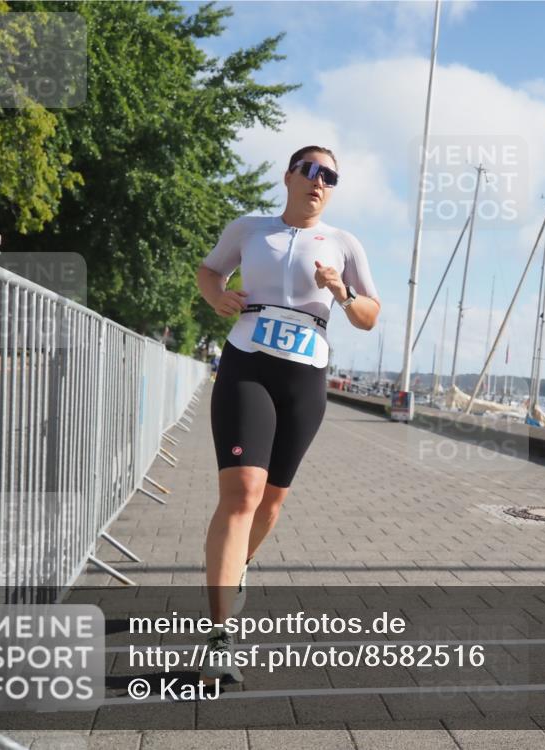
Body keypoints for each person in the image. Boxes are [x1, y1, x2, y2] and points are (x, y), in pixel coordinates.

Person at [195, 145, 380, 684]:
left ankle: (238, 567)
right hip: (247, 363)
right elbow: (209, 271)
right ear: (290, 176)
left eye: (331, 177)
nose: (320, 182)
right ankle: (220, 636)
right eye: (312, 171)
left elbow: (369, 315)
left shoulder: (345, 244)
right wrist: (217, 297)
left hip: (304, 374)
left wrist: (341, 292)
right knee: (242, 494)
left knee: (271, 503)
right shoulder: (250, 230)